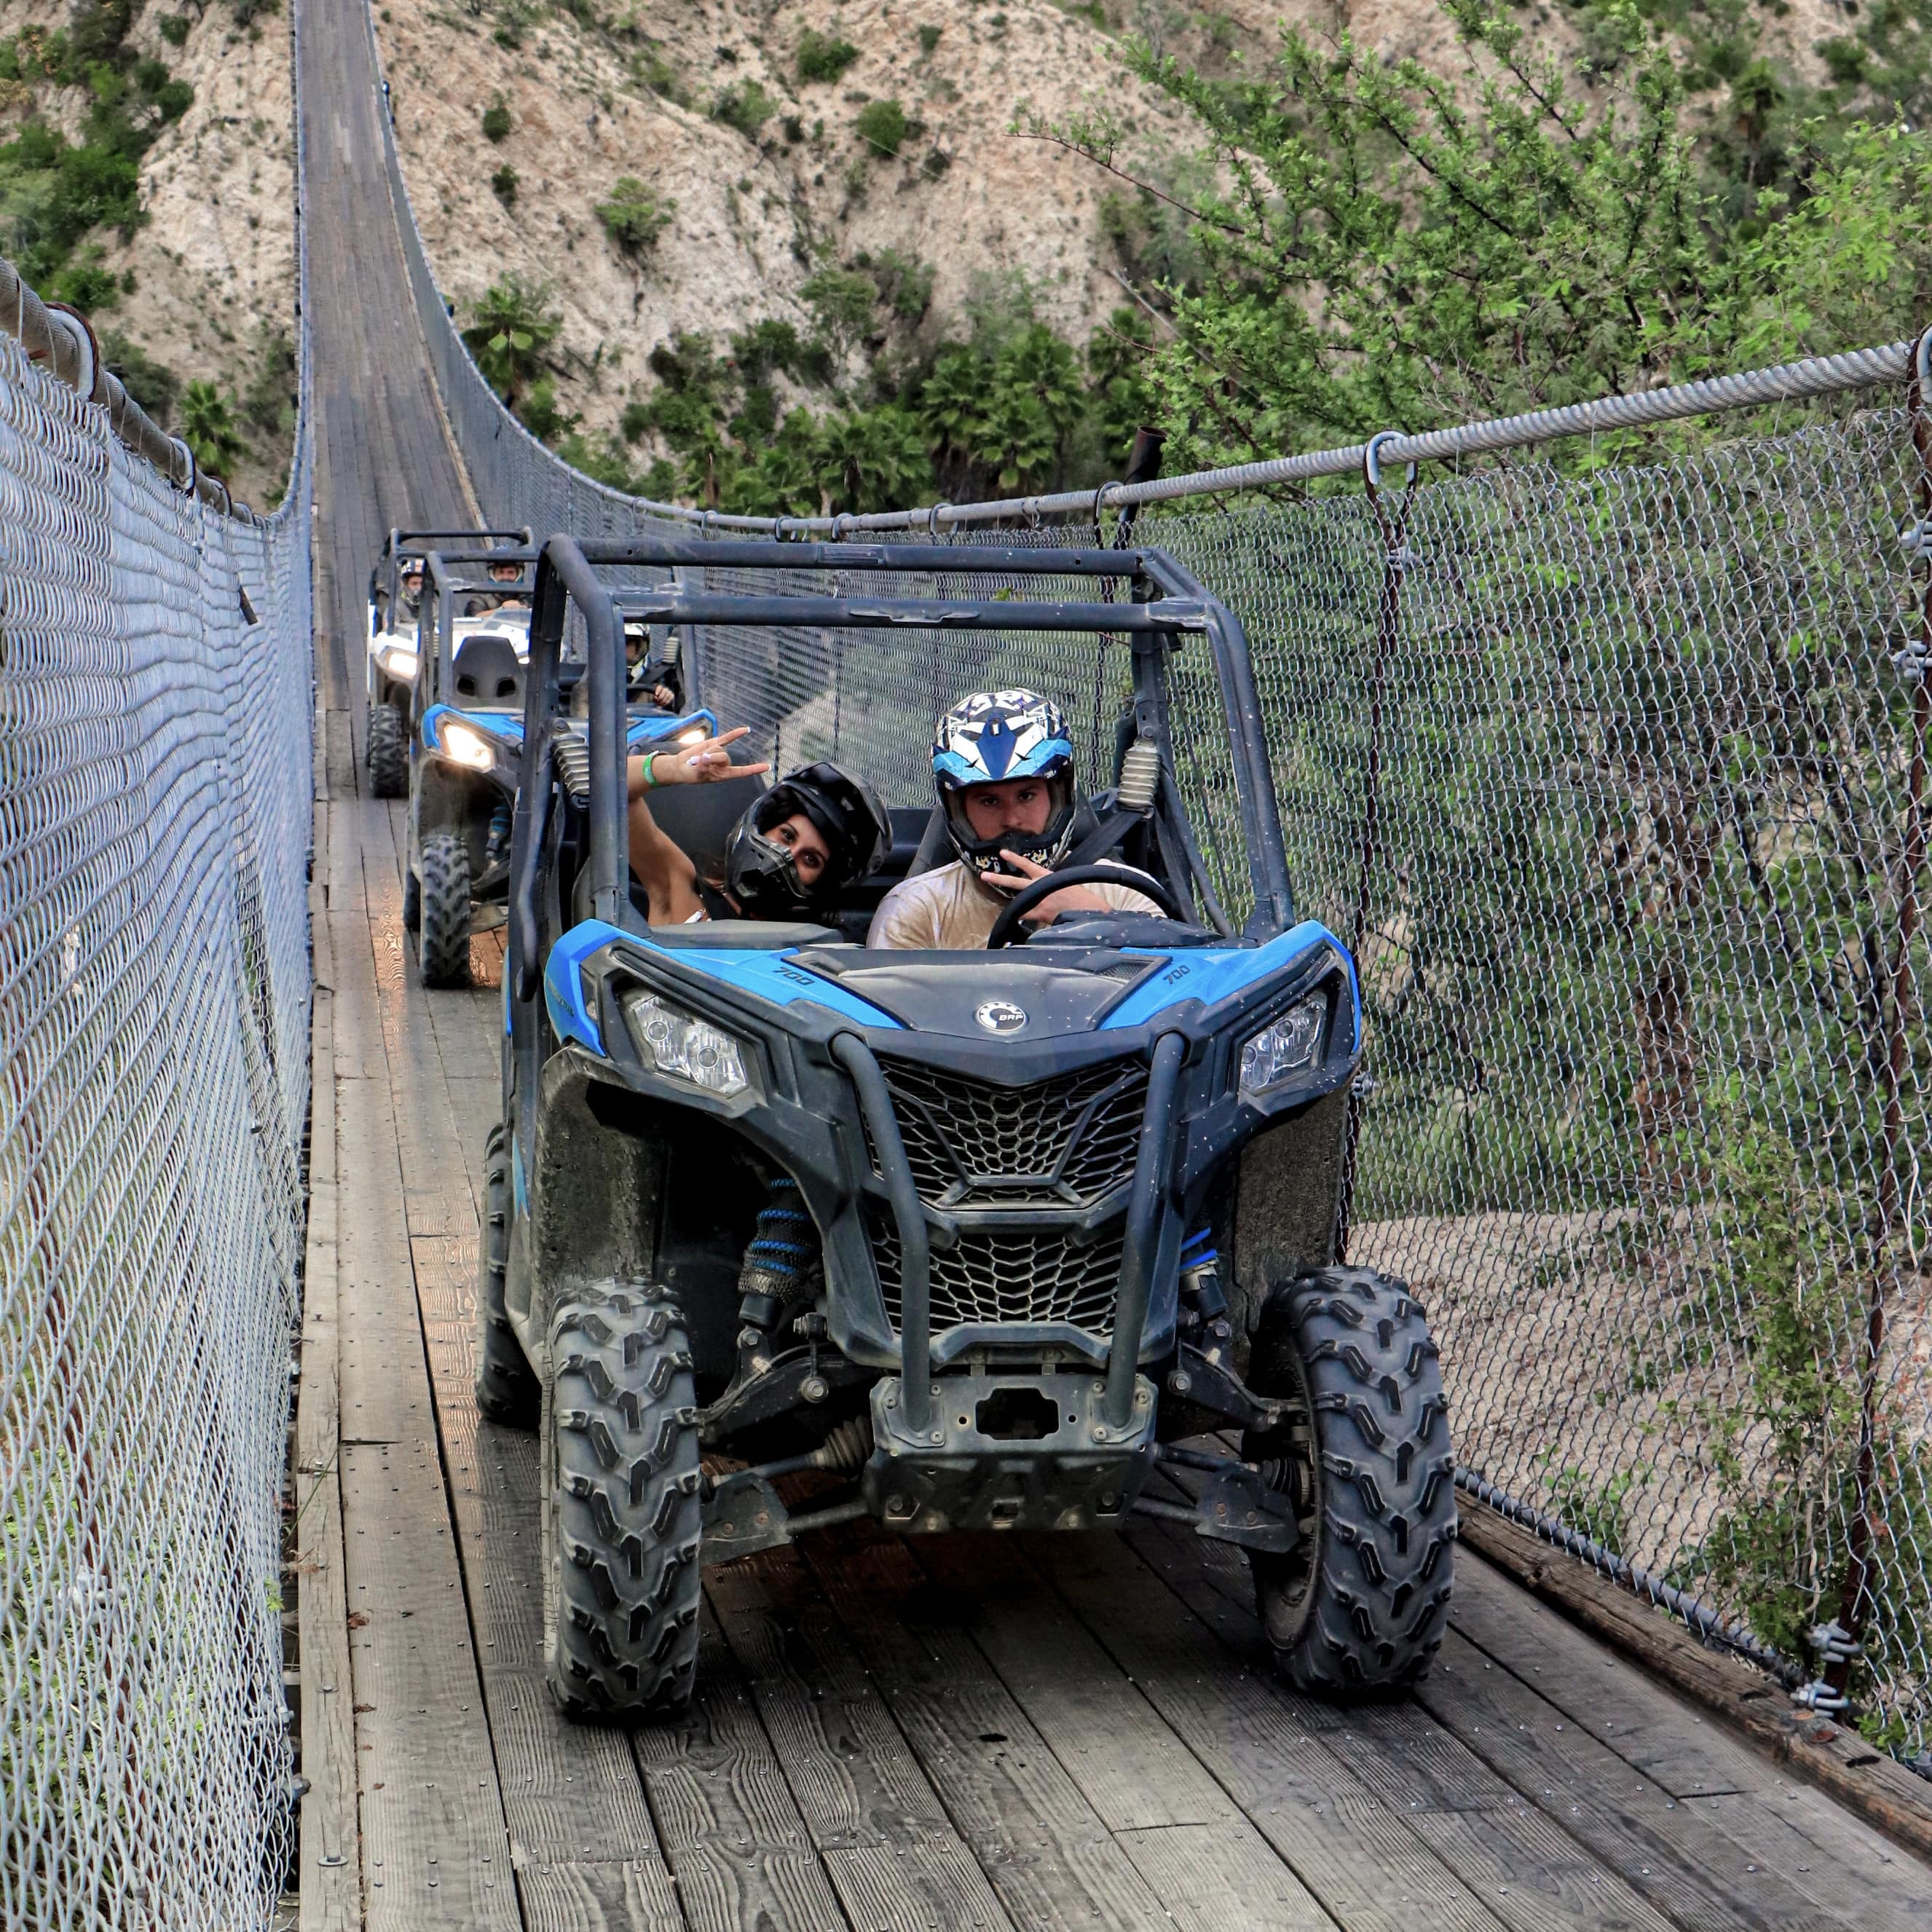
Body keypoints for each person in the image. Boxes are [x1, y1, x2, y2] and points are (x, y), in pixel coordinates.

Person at [867, 689, 1161, 949]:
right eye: (989, 801)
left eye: (1026, 796)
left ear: (1059, 795)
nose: (1012, 819)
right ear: (958, 811)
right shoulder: (915, 909)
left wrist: (1097, 919)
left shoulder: (1126, 893)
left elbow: (1170, 993)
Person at [625, 730, 888, 926]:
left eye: (810, 859)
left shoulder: (811, 949)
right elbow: (611, 786)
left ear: (823, 883)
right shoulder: (681, 887)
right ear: (765, 826)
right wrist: (670, 768)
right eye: (786, 835)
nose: (786, 856)